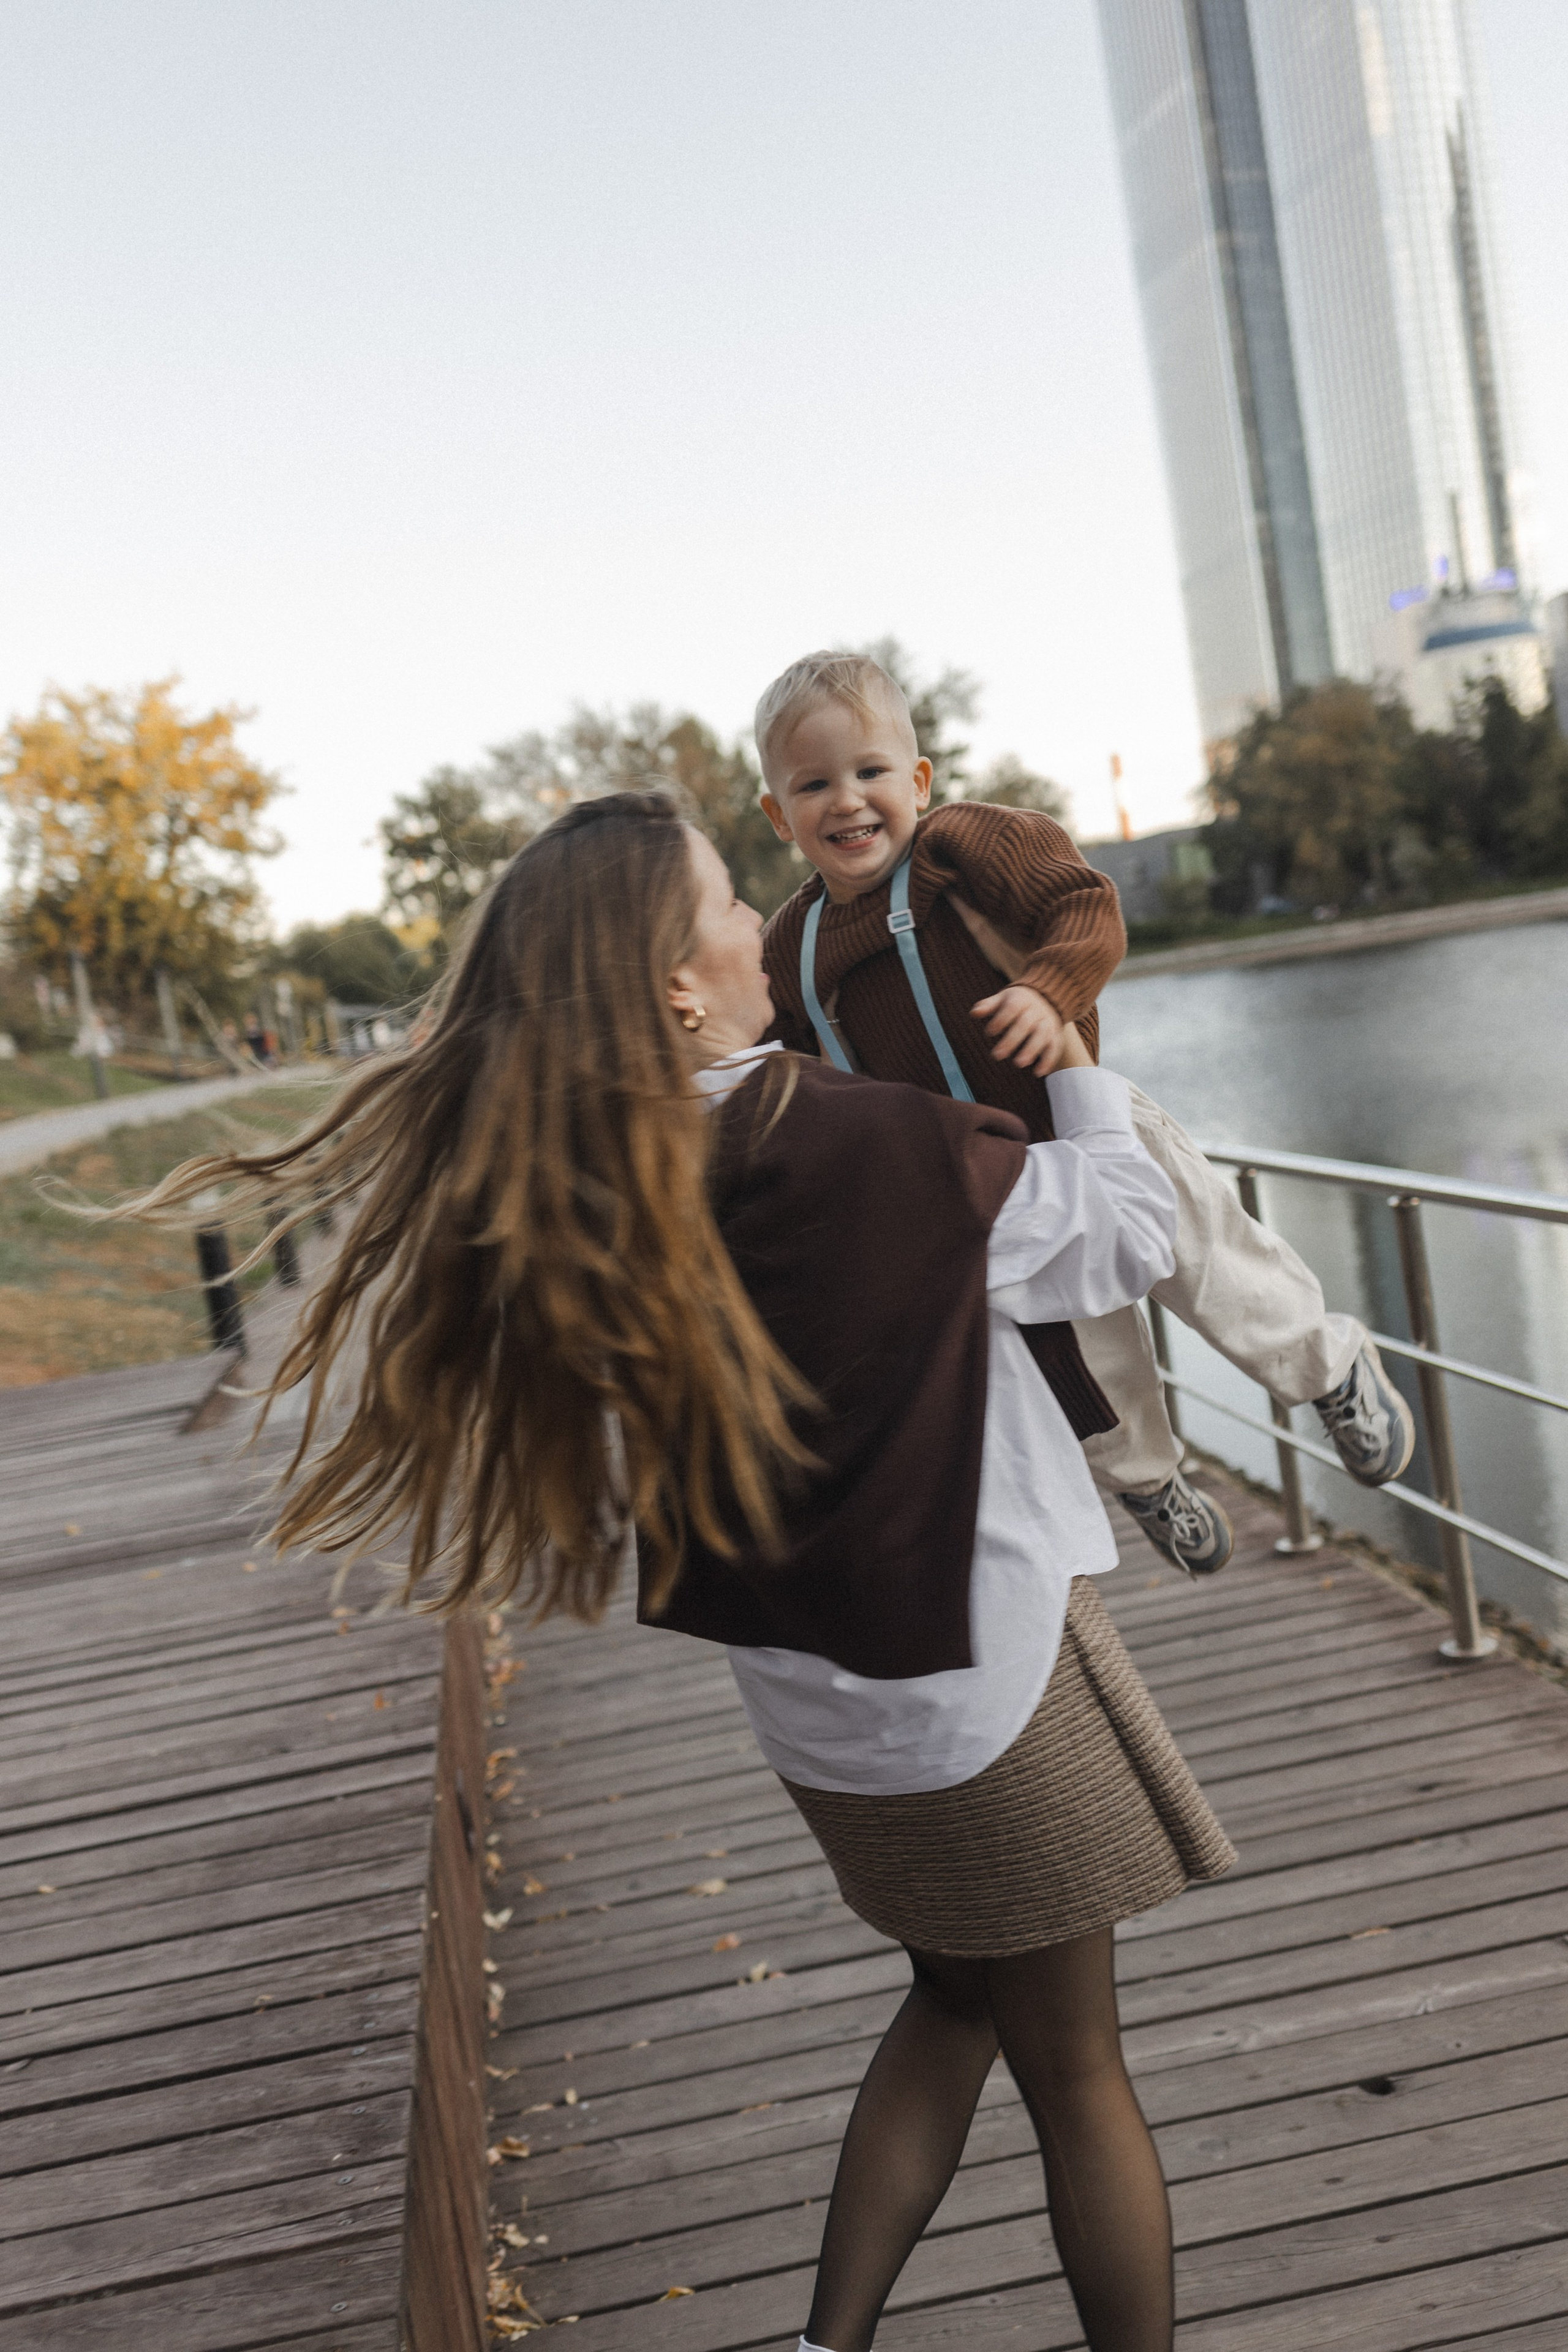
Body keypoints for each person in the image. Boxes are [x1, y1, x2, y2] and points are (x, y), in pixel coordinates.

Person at [133, 791, 1235, 2352]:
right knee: (1078, 2076)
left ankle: (820, 2345)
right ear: (670, 978)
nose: (757, 919)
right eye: (729, 897)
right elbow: (1123, 1239)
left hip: (820, 1717)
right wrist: (1082, 1062)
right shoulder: (847, 1142)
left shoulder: (612, 1184)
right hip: (979, 1681)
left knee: (952, 1998)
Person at [753, 649, 1415, 1575]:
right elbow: (783, 1061)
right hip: (980, 1187)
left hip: (1083, 1116)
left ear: (919, 778)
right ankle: (1149, 1480)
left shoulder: (964, 847)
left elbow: (1084, 907)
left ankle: (1328, 1366)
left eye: (870, 773)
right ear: (780, 814)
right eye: (814, 785)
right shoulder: (792, 943)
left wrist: (1049, 988)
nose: (848, 800)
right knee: (1073, 1343)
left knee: (1208, 1256)